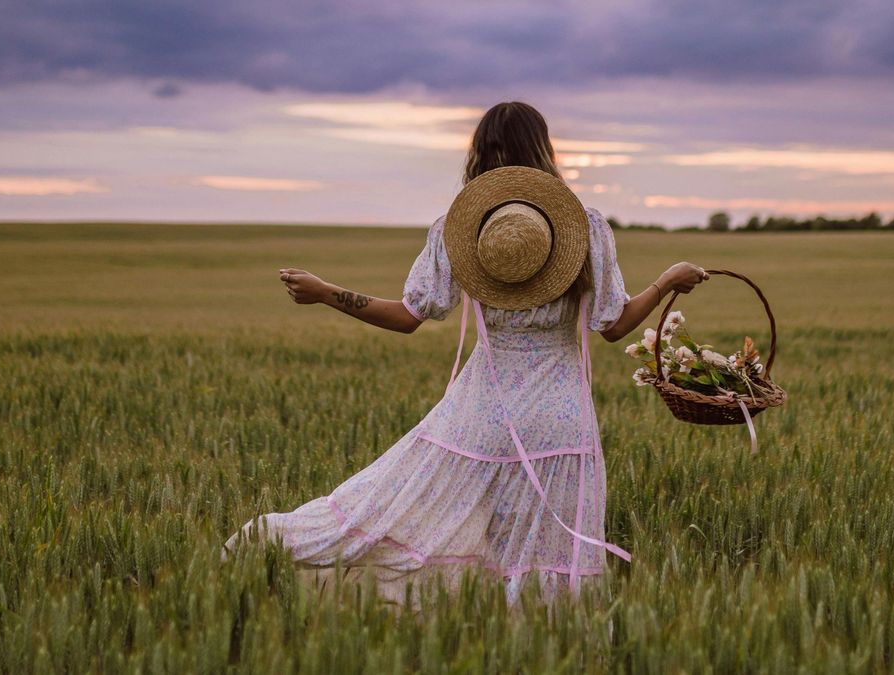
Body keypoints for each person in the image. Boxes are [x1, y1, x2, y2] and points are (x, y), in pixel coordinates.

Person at [222, 101, 710, 608]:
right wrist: (666, 281)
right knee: (548, 555)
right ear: (545, 149)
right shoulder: (583, 226)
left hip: (480, 414)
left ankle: (276, 545)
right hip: (559, 420)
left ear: (479, 153)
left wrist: (328, 292)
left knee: (393, 509)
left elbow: (408, 315)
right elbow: (614, 326)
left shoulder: (462, 230)